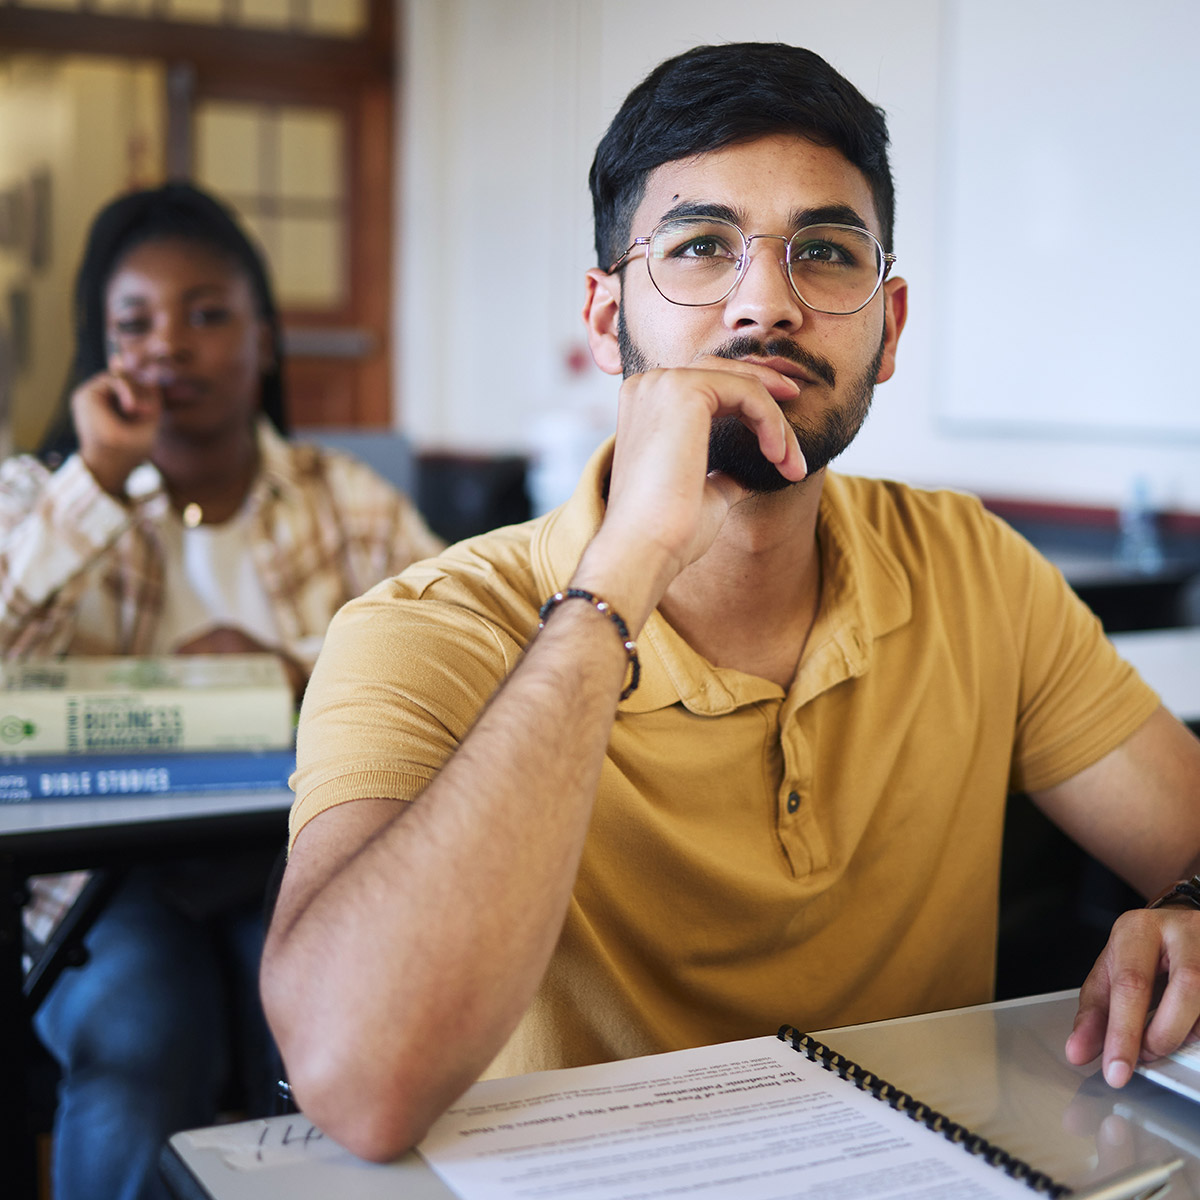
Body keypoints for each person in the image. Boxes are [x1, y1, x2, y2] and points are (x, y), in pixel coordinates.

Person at [261, 42, 1200, 1163]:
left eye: (826, 252)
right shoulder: (426, 629)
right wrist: (625, 572)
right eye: (701, 247)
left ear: (888, 326)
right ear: (607, 317)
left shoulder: (973, 571)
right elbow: (360, 1082)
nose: (766, 303)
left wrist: (1189, 912)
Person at [0, 182, 442, 1200]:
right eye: (134, 322)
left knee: (337, 1044)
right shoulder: (43, 492)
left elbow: (453, 663)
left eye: (207, 314)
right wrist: (97, 484)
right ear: (98, 348)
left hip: (300, 862)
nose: (169, 345)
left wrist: (293, 673)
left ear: (266, 340)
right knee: (142, 1041)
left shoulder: (351, 503)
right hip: (101, 885)